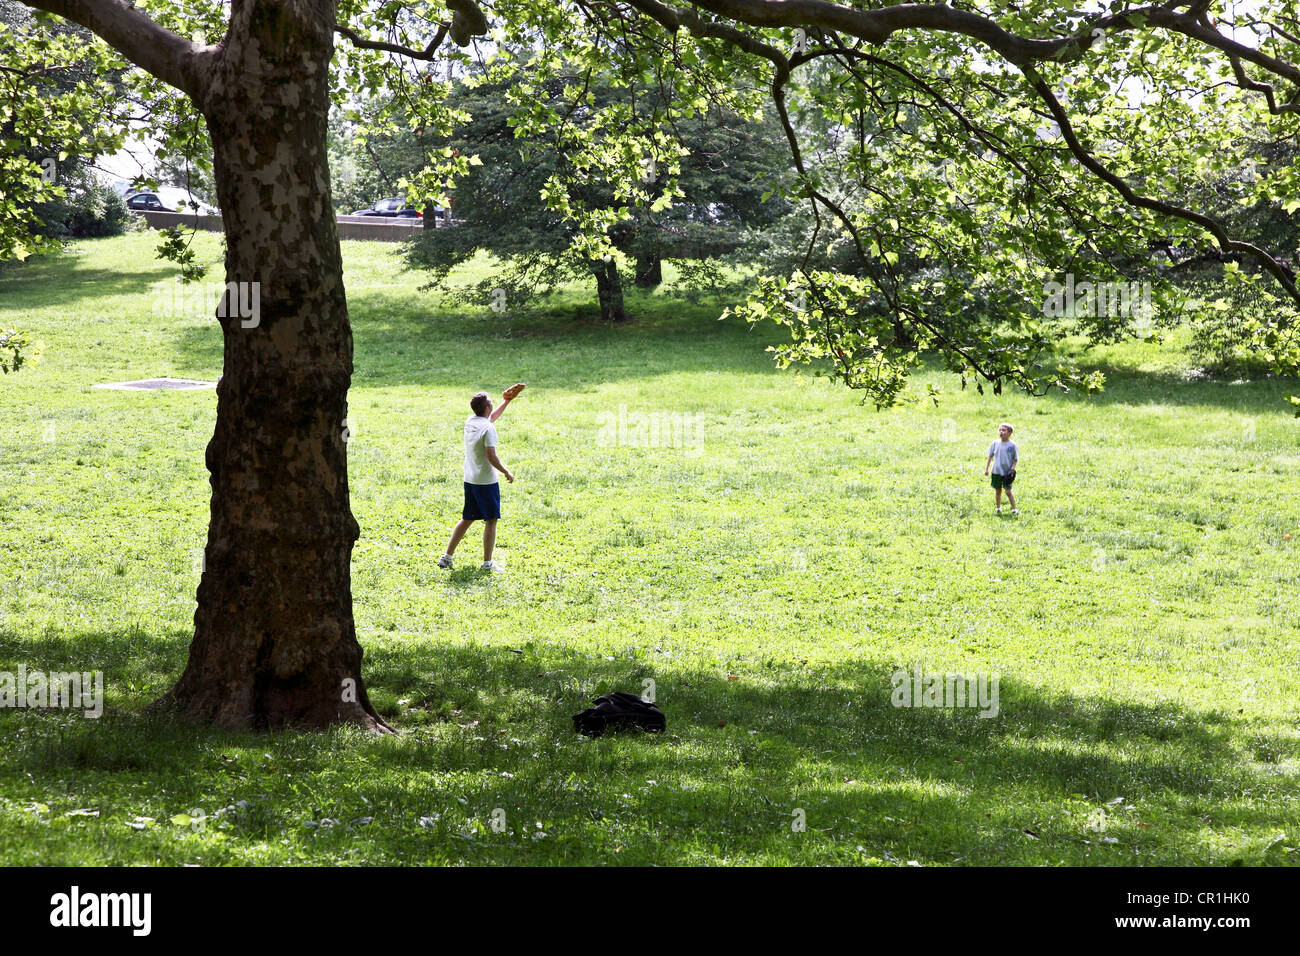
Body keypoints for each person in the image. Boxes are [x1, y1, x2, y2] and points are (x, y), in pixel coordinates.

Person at [438, 384, 524, 572]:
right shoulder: (488, 429)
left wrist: (506, 402)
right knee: (491, 520)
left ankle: (447, 556)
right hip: (486, 481)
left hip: (470, 479)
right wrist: (506, 471)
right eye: (491, 402)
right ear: (486, 407)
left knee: (467, 518)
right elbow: (491, 456)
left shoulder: (471, 421)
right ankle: (487, 563)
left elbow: (490, 420)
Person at [984, 422, 1019, 515]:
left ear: (1009, 432)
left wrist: (1012, 469)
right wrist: (987, 469)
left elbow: (1015, 459)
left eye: (1003, 430)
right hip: (996, 471)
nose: (1001, 432)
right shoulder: (995, 443)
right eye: (1000, 430)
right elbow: (990, 456)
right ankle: (998, 508)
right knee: (998, 490)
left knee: (1008, 491)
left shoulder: (1012, 445)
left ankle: (1014, 509)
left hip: (1007, 472)